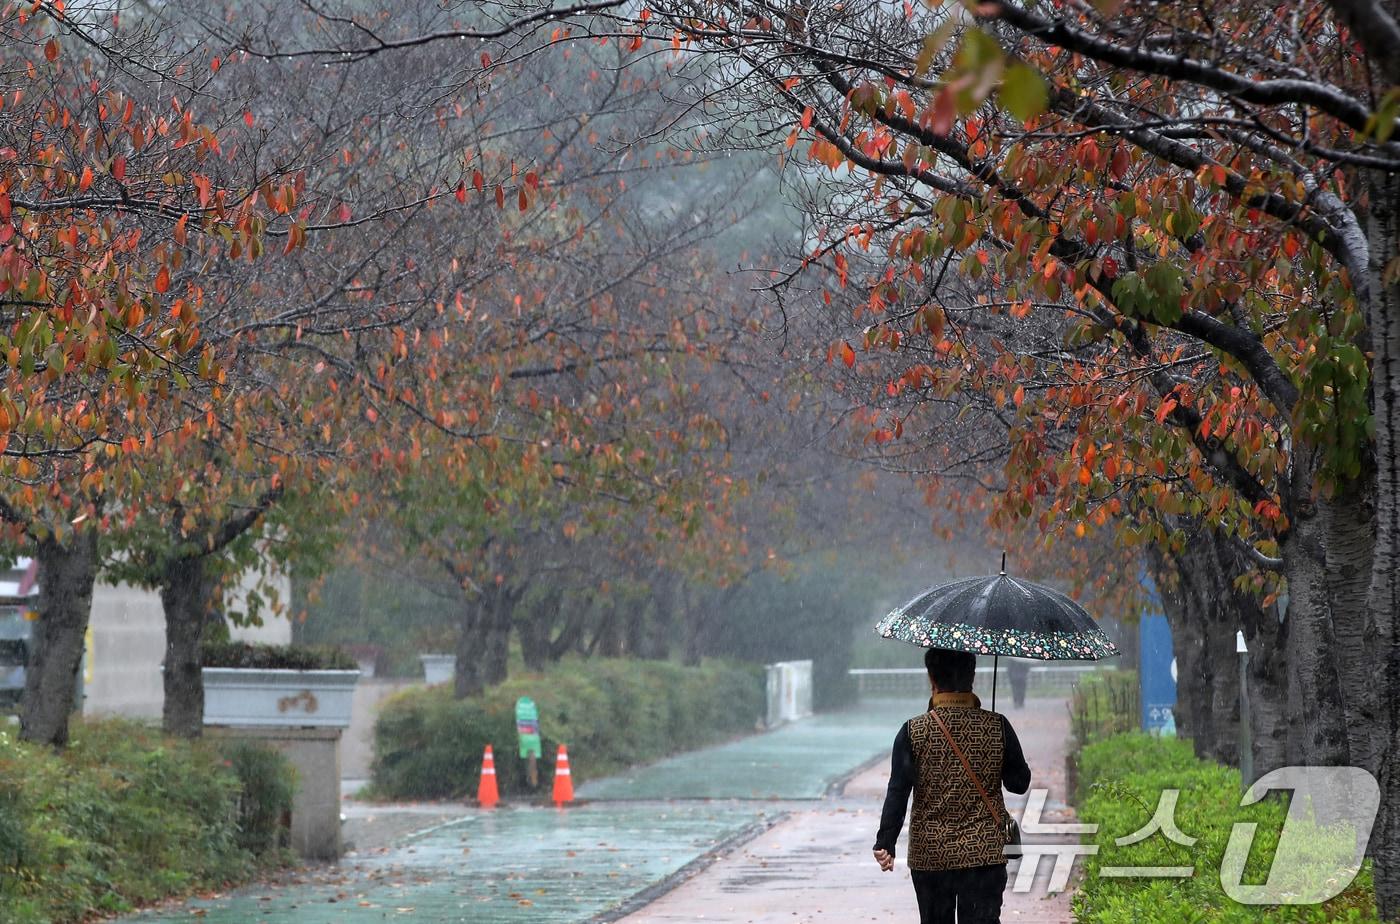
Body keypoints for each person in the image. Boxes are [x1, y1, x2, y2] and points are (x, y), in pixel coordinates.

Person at [873, 648, 1031, 924]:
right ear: (972, 678)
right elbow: (1019, 784)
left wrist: (886, 841)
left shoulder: (913, 731)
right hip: (983, 854)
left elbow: (898, 790)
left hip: (931, 855)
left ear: (932, 680)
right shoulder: (997, 726)